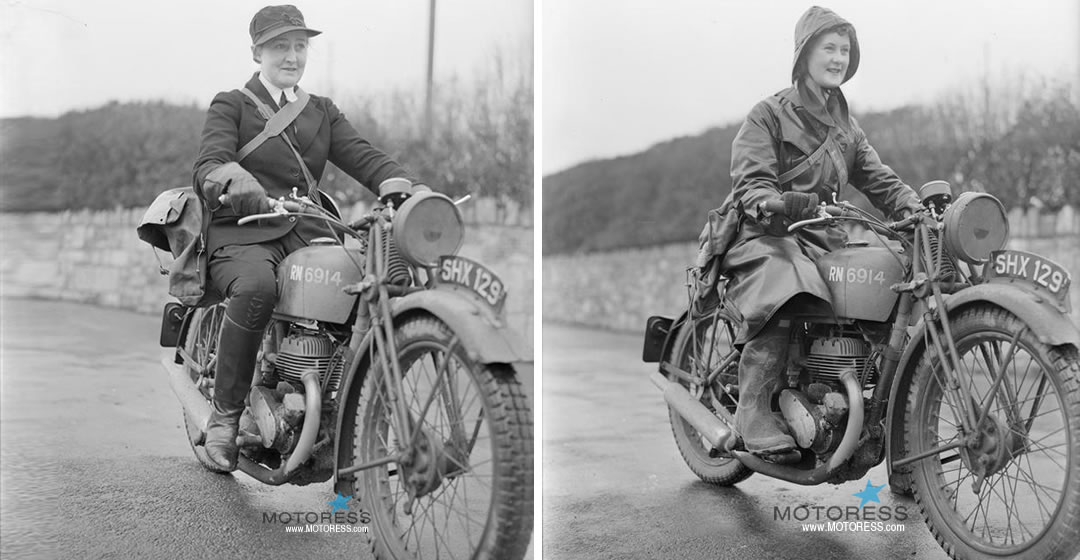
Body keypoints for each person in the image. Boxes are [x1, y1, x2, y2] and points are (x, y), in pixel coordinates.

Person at [192, 5, 426, 471]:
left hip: (309, 229)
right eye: (281, 46)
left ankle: (343, 409)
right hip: (244, 231)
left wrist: (409, 189)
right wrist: (245, 190)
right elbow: (209, 166)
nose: (293, 56)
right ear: (257, 51)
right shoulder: (231, 104)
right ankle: (225, 417)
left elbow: (365, 157)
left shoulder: (321, 111)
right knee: (257, 288)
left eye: (300, 46)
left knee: (363, 286)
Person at [719, 6, 921, 458]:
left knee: (887, 274)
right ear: (804, 54)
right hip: (765, 234)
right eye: (828, 48)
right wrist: (776, 200)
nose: (837, 58)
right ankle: (752, 412)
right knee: (790, 281)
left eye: (844, 50)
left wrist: (914, 206)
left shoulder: (847, 129)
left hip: (820, 238)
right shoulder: (768, 114)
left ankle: (890, 437)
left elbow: (879, 179)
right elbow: (751, 181)